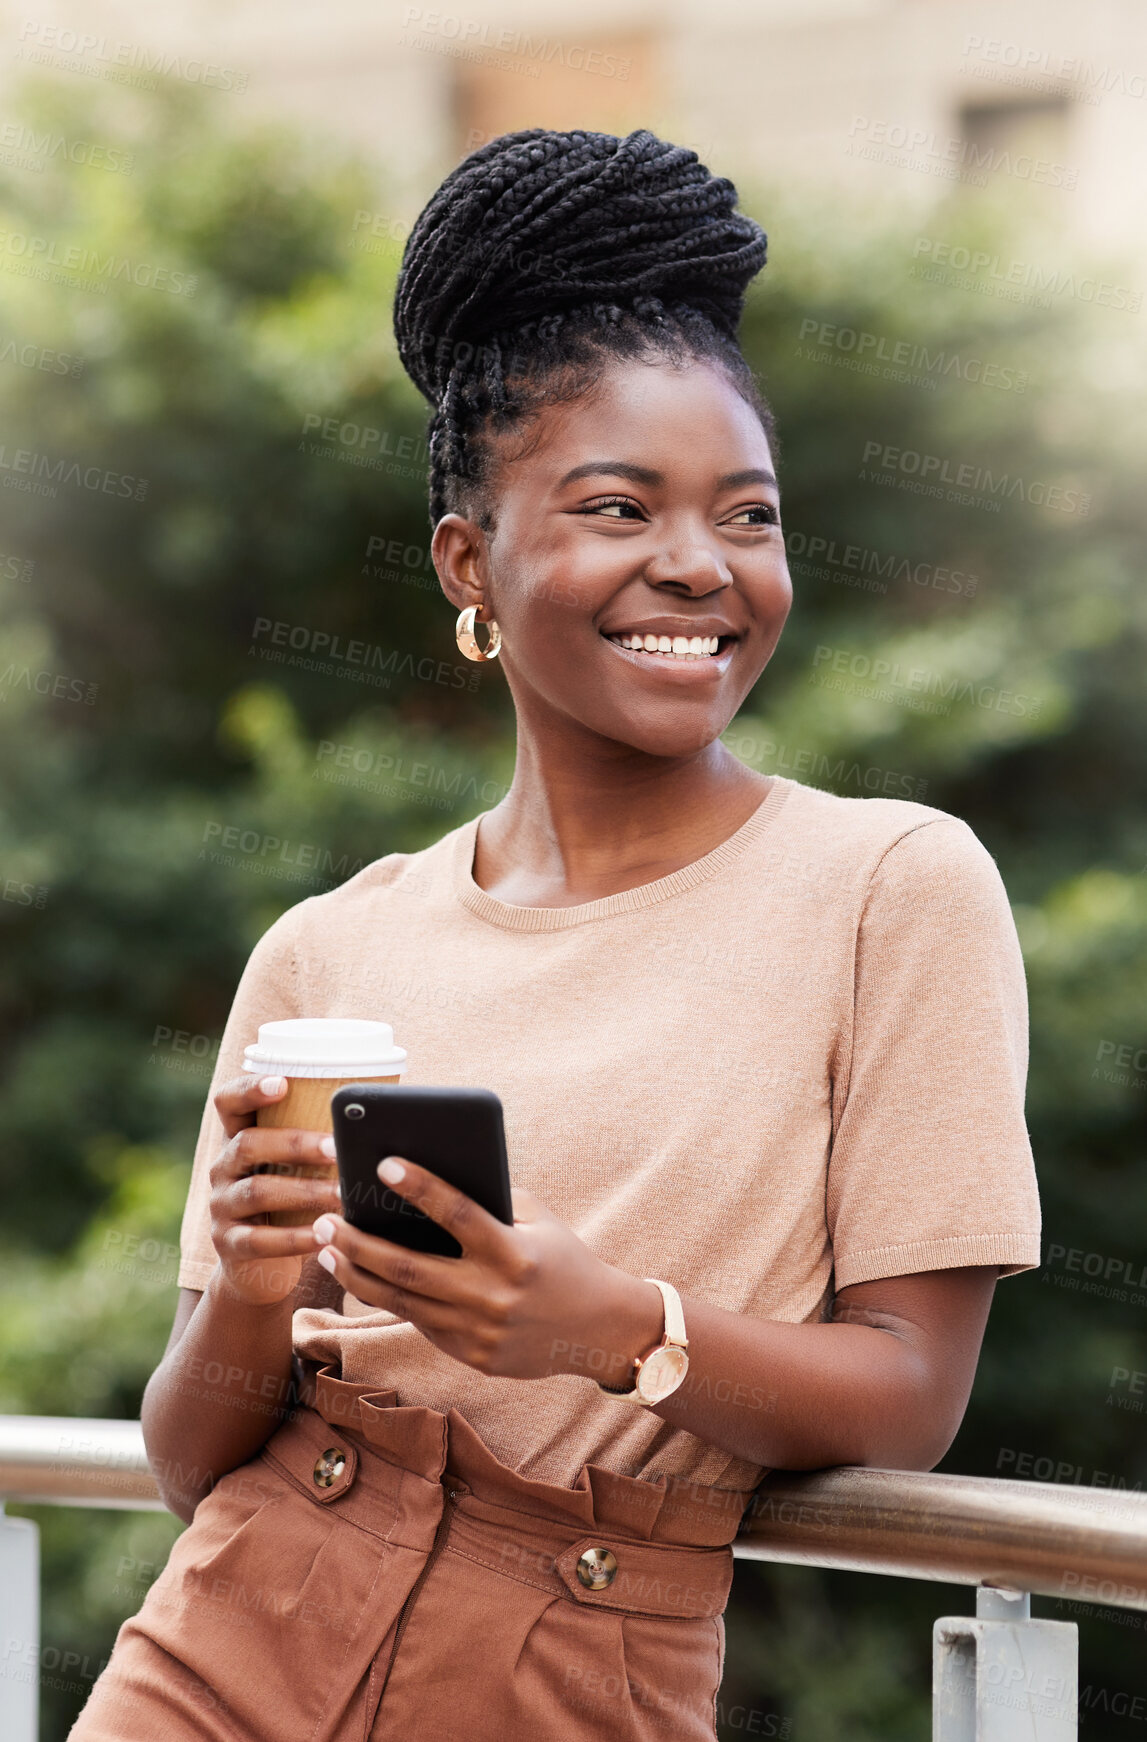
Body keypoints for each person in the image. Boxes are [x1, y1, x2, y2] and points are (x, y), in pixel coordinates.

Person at [71, 127, 1041, 1742]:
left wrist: (612, 1328)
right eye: (618, 506)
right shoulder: (327, 947)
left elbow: (910, 1392)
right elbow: (189, 1459)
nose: (698, 565)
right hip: (219, 1654)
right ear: (471, 561)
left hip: (576, 1664)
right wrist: (247, 1289)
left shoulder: (895, 886)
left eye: (748, 515)